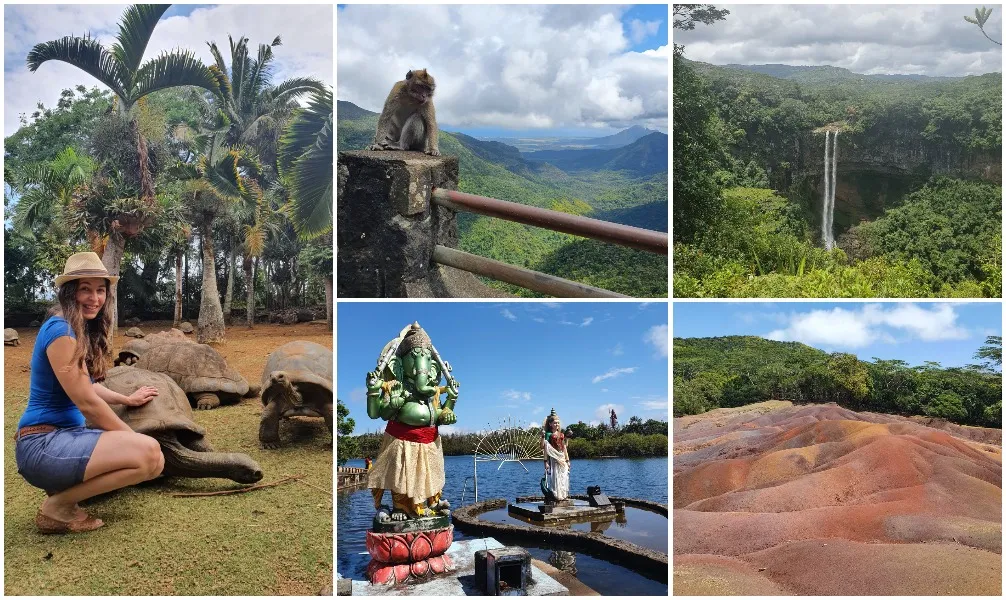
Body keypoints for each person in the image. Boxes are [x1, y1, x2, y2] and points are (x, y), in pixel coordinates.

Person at [14, 252, 163, 534]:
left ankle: (64, 497)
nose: (94, 298)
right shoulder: (60, 331)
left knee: (153, 462)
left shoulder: (73, 329)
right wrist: (133, 440)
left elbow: (88, 386)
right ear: (70, 292)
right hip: (42, 444)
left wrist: (127, 399)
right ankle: (57, 507)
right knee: (149, 454)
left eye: (100, 290)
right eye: (85, 289)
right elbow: (86, 402)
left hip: (64, 439)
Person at [541, 408, 570, 502]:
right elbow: (544, 447)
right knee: (555, 476)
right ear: (550, 424)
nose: (557, 424)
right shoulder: (548, 434)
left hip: (561, 457)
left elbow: (564, 447)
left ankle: (563, 494)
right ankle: (556, 494)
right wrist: (545, 462)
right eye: (555, 423)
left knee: (563, 476)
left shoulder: (561, 434)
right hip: (554, 458)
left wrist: (567, 460)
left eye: (558, 423)